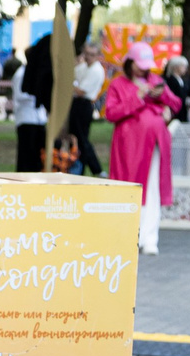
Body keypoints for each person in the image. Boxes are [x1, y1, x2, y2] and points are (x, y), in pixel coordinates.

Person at [104, 43, 181, 253]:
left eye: (145, 66)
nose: (142, 70)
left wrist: (162, 98)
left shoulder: (156, 81)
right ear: (129, 63)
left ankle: (149, 239)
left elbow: (176, 104)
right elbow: (111, 113)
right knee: (130, 187)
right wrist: (136, 98)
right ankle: (128, 236)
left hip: (156, 142)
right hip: (129, 145)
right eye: (138, 65)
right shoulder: (118, 84)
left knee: (153, 187)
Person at [12, 38, 55, 171]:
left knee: (37, 154)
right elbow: (21, 95)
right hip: (26, 118)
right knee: (27, 154)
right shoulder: (21, 74)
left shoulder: (35, 75)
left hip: (38, 119)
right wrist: (37, 94)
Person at [66, 40, 107, 175]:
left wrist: (70, 84)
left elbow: (81, 91)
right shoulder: (84, 67)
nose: (89, 56)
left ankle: (96, 168)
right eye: (87, 53)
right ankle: (79, 166)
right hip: (77, 104)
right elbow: (71, 72)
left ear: (97, 55)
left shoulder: (96, 70)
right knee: (76, 137)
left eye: (92, 54)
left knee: (82, 139)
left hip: (84, 105)